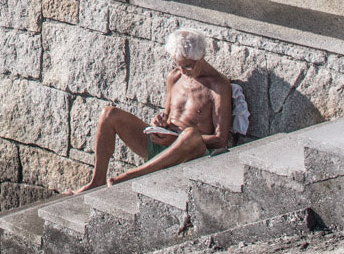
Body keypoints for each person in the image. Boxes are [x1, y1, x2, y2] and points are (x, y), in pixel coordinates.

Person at [68, 29, 232, 193]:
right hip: (163, 145)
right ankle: (97, 180)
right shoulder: (175, 77)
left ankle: (134, 175)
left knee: (190, 134)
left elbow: (221, 139)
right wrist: (159, 124)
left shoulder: (218, 86)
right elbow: (166, 116)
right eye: (178, 65)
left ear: (201, 56)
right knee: (109, 114)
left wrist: (175, 140)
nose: (182, 71)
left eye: (187, 66)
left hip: (190, 152)